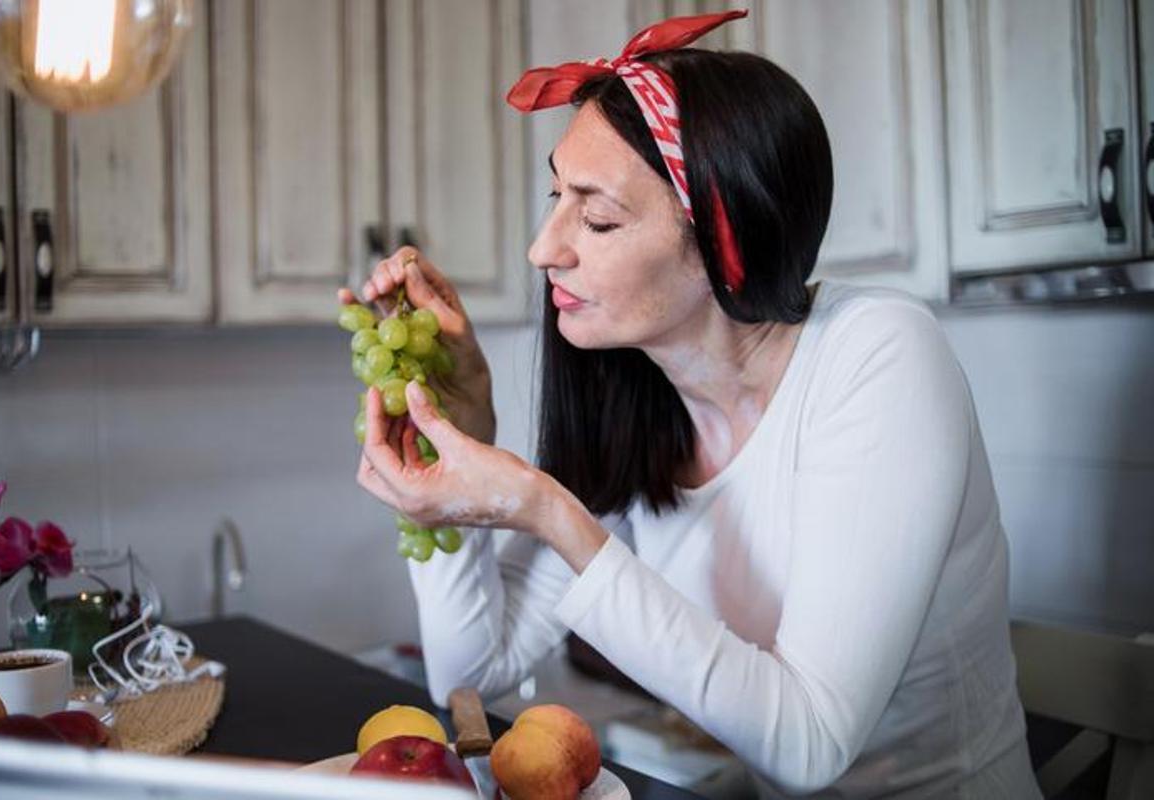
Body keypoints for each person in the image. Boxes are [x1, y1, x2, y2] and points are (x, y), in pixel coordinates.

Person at [350, 11, 1041, 799]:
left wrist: (538, 504)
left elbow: (811, 744)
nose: (544, 248)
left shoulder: (880, 356)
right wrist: (459, 435)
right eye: (555, 197)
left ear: (724, 235)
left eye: (598, 215)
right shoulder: (643, 400)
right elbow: (470, 671)